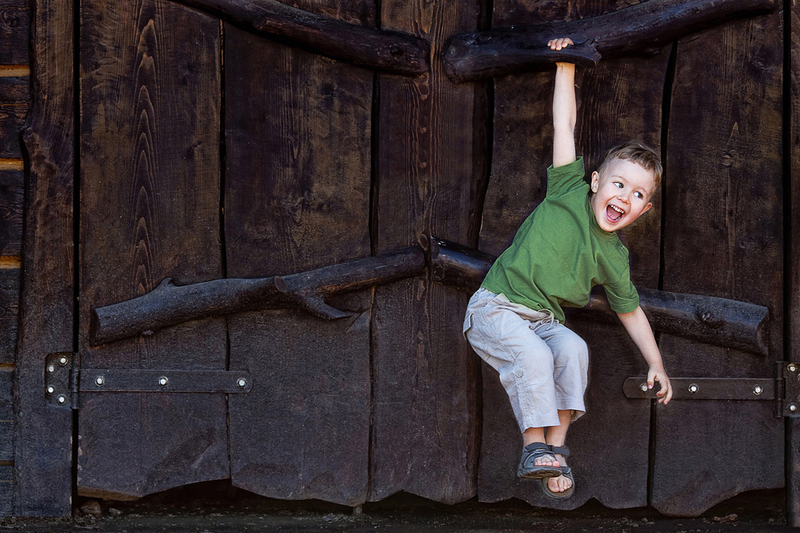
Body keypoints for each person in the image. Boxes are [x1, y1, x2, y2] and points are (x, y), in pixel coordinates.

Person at [462, 37, 673, 499]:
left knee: (573, 350)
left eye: (638, 194)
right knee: (536, 359)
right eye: (619, 184)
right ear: (595, 182)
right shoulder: (566, 190)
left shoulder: (614, 257)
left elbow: (631, 312)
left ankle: (554, 452)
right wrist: (566, 65)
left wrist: (655, 363)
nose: (625, 196)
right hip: (495, 308)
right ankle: (533, 448)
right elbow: (565, 123)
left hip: (542, 321)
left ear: (644, 210)